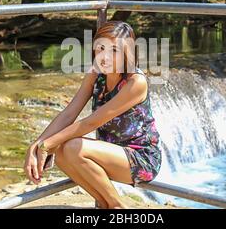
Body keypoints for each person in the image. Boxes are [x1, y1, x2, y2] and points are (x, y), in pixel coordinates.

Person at [24, 21, 162, 209]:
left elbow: (90, 123)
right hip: (109, 153)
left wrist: (46, 145)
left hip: (140, 158)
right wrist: (35, 146)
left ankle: (118, 207)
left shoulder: (135, 82)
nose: (104, 57)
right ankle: (107, 206)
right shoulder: (96, 73)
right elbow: (69, 113)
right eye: (101, 48)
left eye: (114, 50)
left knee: (71, 146)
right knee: (62, 151)